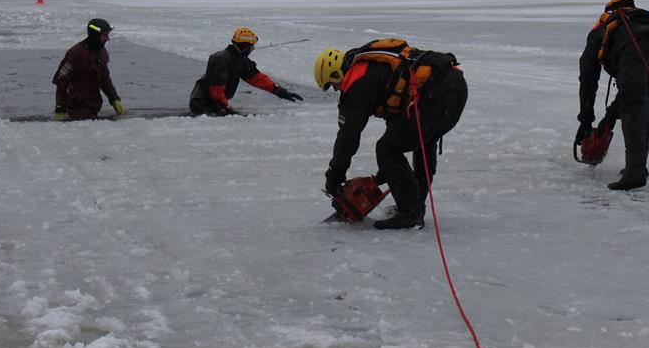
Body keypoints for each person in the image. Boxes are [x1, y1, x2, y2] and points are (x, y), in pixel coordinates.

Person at [314, 39, 468, 229]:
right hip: (454, 84)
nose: (337, 89)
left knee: (387, 149)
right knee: (422, 143)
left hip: (436, 94)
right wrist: (385, 174)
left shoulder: (356, 82)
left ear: (336, 73)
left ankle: (411, 213)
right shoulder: (371, 65)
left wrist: (334, 176)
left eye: (333, 85)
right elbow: (398, 116)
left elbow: (348, 136)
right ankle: (415, 207)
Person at [576, 0, 649, 190]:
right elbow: (629, 92)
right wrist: (606, 122)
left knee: (634, 103)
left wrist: (585, 120)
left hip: (634, 48)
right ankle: (639, 166)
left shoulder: (605, 27)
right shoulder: (648, 22)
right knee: (642, 100)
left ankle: (635, 172)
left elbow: (588, 78)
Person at [189, 27, 303, 116]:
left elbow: (257, 78)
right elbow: (216, 90)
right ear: (244, 46)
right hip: (201, 104)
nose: (253, 49)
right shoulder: (221, 59)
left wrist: (279, 91)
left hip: (216, 104)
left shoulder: (240, 60)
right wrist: (226, 108)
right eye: (251, 46)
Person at [53, 18, 124, 121]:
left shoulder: (101, 52)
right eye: (105, 35)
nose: (108, 38)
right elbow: (61, 82)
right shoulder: (76, 54)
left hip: (93, 108)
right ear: (95, 35)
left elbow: (105, 79)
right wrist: (60, 109)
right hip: (77, 110)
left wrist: (114, 98)